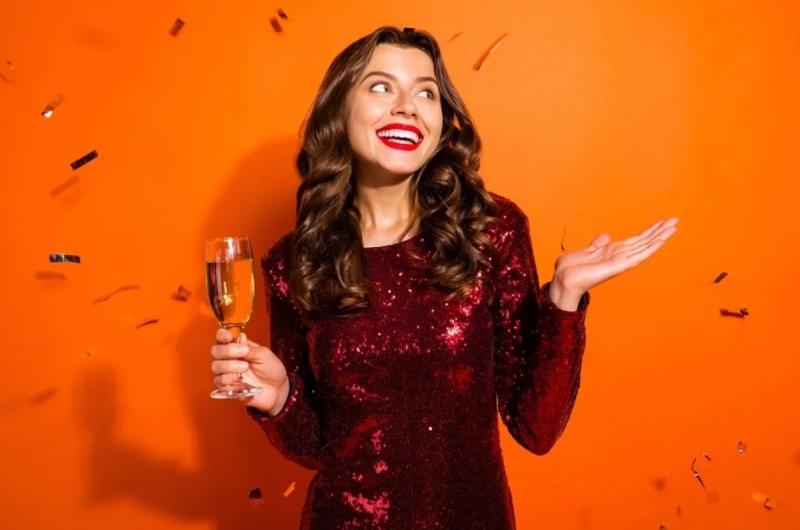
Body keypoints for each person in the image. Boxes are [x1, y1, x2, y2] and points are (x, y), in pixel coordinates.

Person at [209, 25, 678, 529]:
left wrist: (564, 299)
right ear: (339, 112)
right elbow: (317, 447)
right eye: (381, 86)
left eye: (426, 93)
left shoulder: (489, 232)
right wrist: (280, 397)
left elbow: (536, 429)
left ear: (439, 122)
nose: (407, 107)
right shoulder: (296, 261)